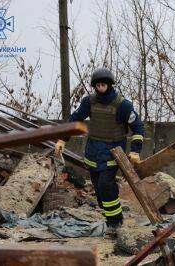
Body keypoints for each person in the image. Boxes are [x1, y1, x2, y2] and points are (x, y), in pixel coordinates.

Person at [54, 68, 144, 233]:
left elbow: (138, 128)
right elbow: (75, 120)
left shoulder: (123, 105)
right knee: (101, 193)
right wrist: (62, 139)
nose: (100, 88)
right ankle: (111, 211)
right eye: (98, 85)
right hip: (93, 152)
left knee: (105, 185)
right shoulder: (89, 102)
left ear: (109, 85)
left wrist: (136, 150)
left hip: (112, 152)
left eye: (103, 84)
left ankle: (115, 223)